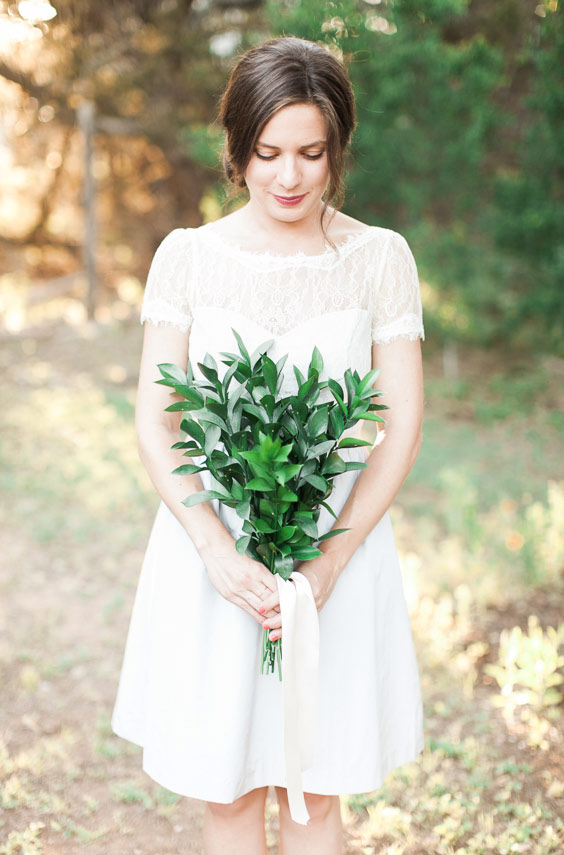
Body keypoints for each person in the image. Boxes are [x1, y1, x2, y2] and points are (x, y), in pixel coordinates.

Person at [111, 36, 425, 855]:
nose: (290, 176)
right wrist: (216, 551)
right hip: (214, 557)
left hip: (336, 557)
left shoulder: (379, 260)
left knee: (318, 795)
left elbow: (399, 427)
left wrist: (329, 561)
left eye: (312, 153)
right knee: (229, 793)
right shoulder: (187, 259)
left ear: (337, 149)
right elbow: (156, 420)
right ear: (236, 147)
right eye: (269, 152)